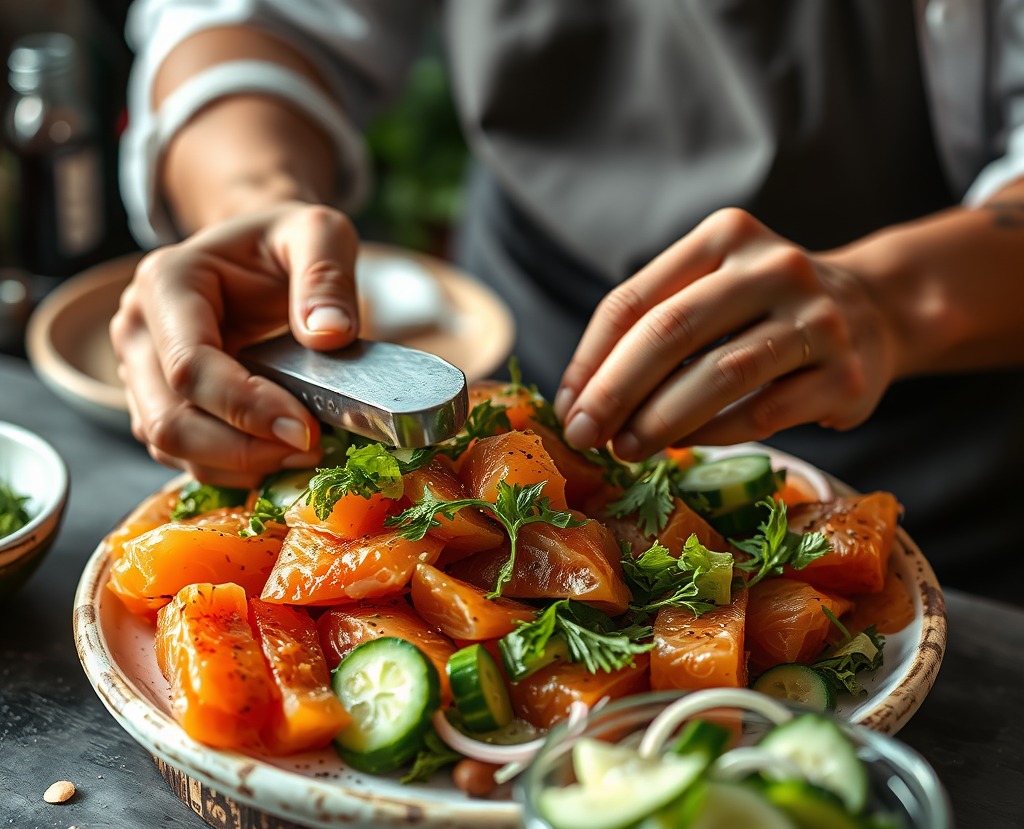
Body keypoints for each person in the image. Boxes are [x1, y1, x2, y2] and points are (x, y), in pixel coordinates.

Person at [112, 1, 1024, 601]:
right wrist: (252, 206)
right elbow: (262, 18)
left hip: (950, 452)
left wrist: (889, 301)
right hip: (529, 335)